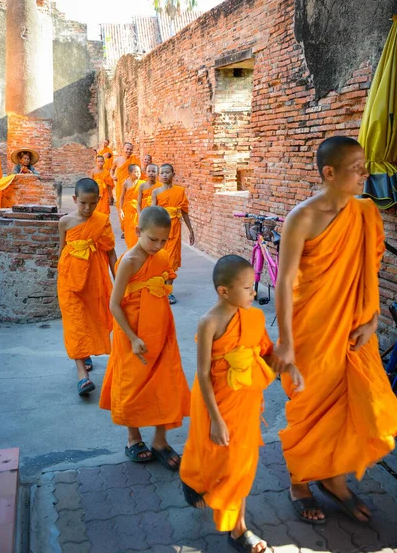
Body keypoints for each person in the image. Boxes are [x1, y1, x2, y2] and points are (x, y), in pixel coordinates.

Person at [274, 136, 397, 524]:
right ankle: (300, 481)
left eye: (365, 165)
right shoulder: (303, 218)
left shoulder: (365, 213)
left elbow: (368, 269)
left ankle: (333, 479)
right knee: (310, 407)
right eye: (357, 167)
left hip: (354, 328)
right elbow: (283, 282)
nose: (365, 173)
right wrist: (286, 345)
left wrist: (372, 319)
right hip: (312, 329)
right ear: (329, 173)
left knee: (354, 407)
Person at [180, 255, 303, 553]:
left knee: (240, 463)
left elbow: (266, 351)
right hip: (216, 403)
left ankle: (237, 526)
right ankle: (231, 521)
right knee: (219, 454)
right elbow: (203, 374)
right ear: (224, 291)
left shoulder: (253, 317)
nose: (253, 292)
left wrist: (290, 367)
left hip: (246, 401)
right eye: (248, 288)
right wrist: (217, 420)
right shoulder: (209, 322)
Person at [100, 206, 190, 469]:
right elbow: (115, 304)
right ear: (138, 231)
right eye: (153, 239)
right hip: (132, 333)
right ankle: (133, 438)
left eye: (164, 240)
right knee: (132, 386)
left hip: (161, 330)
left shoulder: (161, 257)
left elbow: (163, 285)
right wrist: (132, 337)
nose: (158, 245)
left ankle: (160, 440)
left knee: (167, 382)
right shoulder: (128, 261)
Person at [57, 178, 117, 396]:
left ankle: (85, 353)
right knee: (74, 322)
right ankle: (83, 376)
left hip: (94, 280)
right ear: (75, 199)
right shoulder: (65, 222)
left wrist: (118, 281)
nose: (87, 208)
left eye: (92, 204)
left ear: (99, 200)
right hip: (70, 279)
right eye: (83, 203)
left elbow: (110, 252)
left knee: (92, 318)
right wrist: (60, 276)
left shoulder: (102, 221)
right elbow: (62, 250)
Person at [152, 163, 194, 304]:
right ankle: (159, 287)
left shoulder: (180, 191)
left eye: (167, 172)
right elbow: (153, 213)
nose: (164, 175)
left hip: (175, 229)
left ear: (173, 174)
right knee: (160, 260)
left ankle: (169, 291)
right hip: (160, 230)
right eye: (162, 173)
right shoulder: (156, 192)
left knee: (171, 261)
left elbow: (185, 212)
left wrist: (191, 230)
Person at [111, 142, 140, 235]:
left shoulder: (134, 160)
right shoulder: (117, 160)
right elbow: (112, 169)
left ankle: (132, 225)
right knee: (121, 205)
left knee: (131, 206)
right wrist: (112, 176)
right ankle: (124, 228)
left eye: (130, 149)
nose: (129, 151)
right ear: (123, 149)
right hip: (121, 186)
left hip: (132, 186)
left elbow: (139, 172)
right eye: (127, 149)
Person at [119, 164, 145, 249]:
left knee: (139, 228)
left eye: (139, 172)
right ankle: (131, 247)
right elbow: (122, 197)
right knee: (130, 230)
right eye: (136, 172)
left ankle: (138, 247)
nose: (138, 174)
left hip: (140, 209)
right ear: (130, 173)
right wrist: (121, 210)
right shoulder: (126, 184)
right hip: (129, 210)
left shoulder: (143, 183)